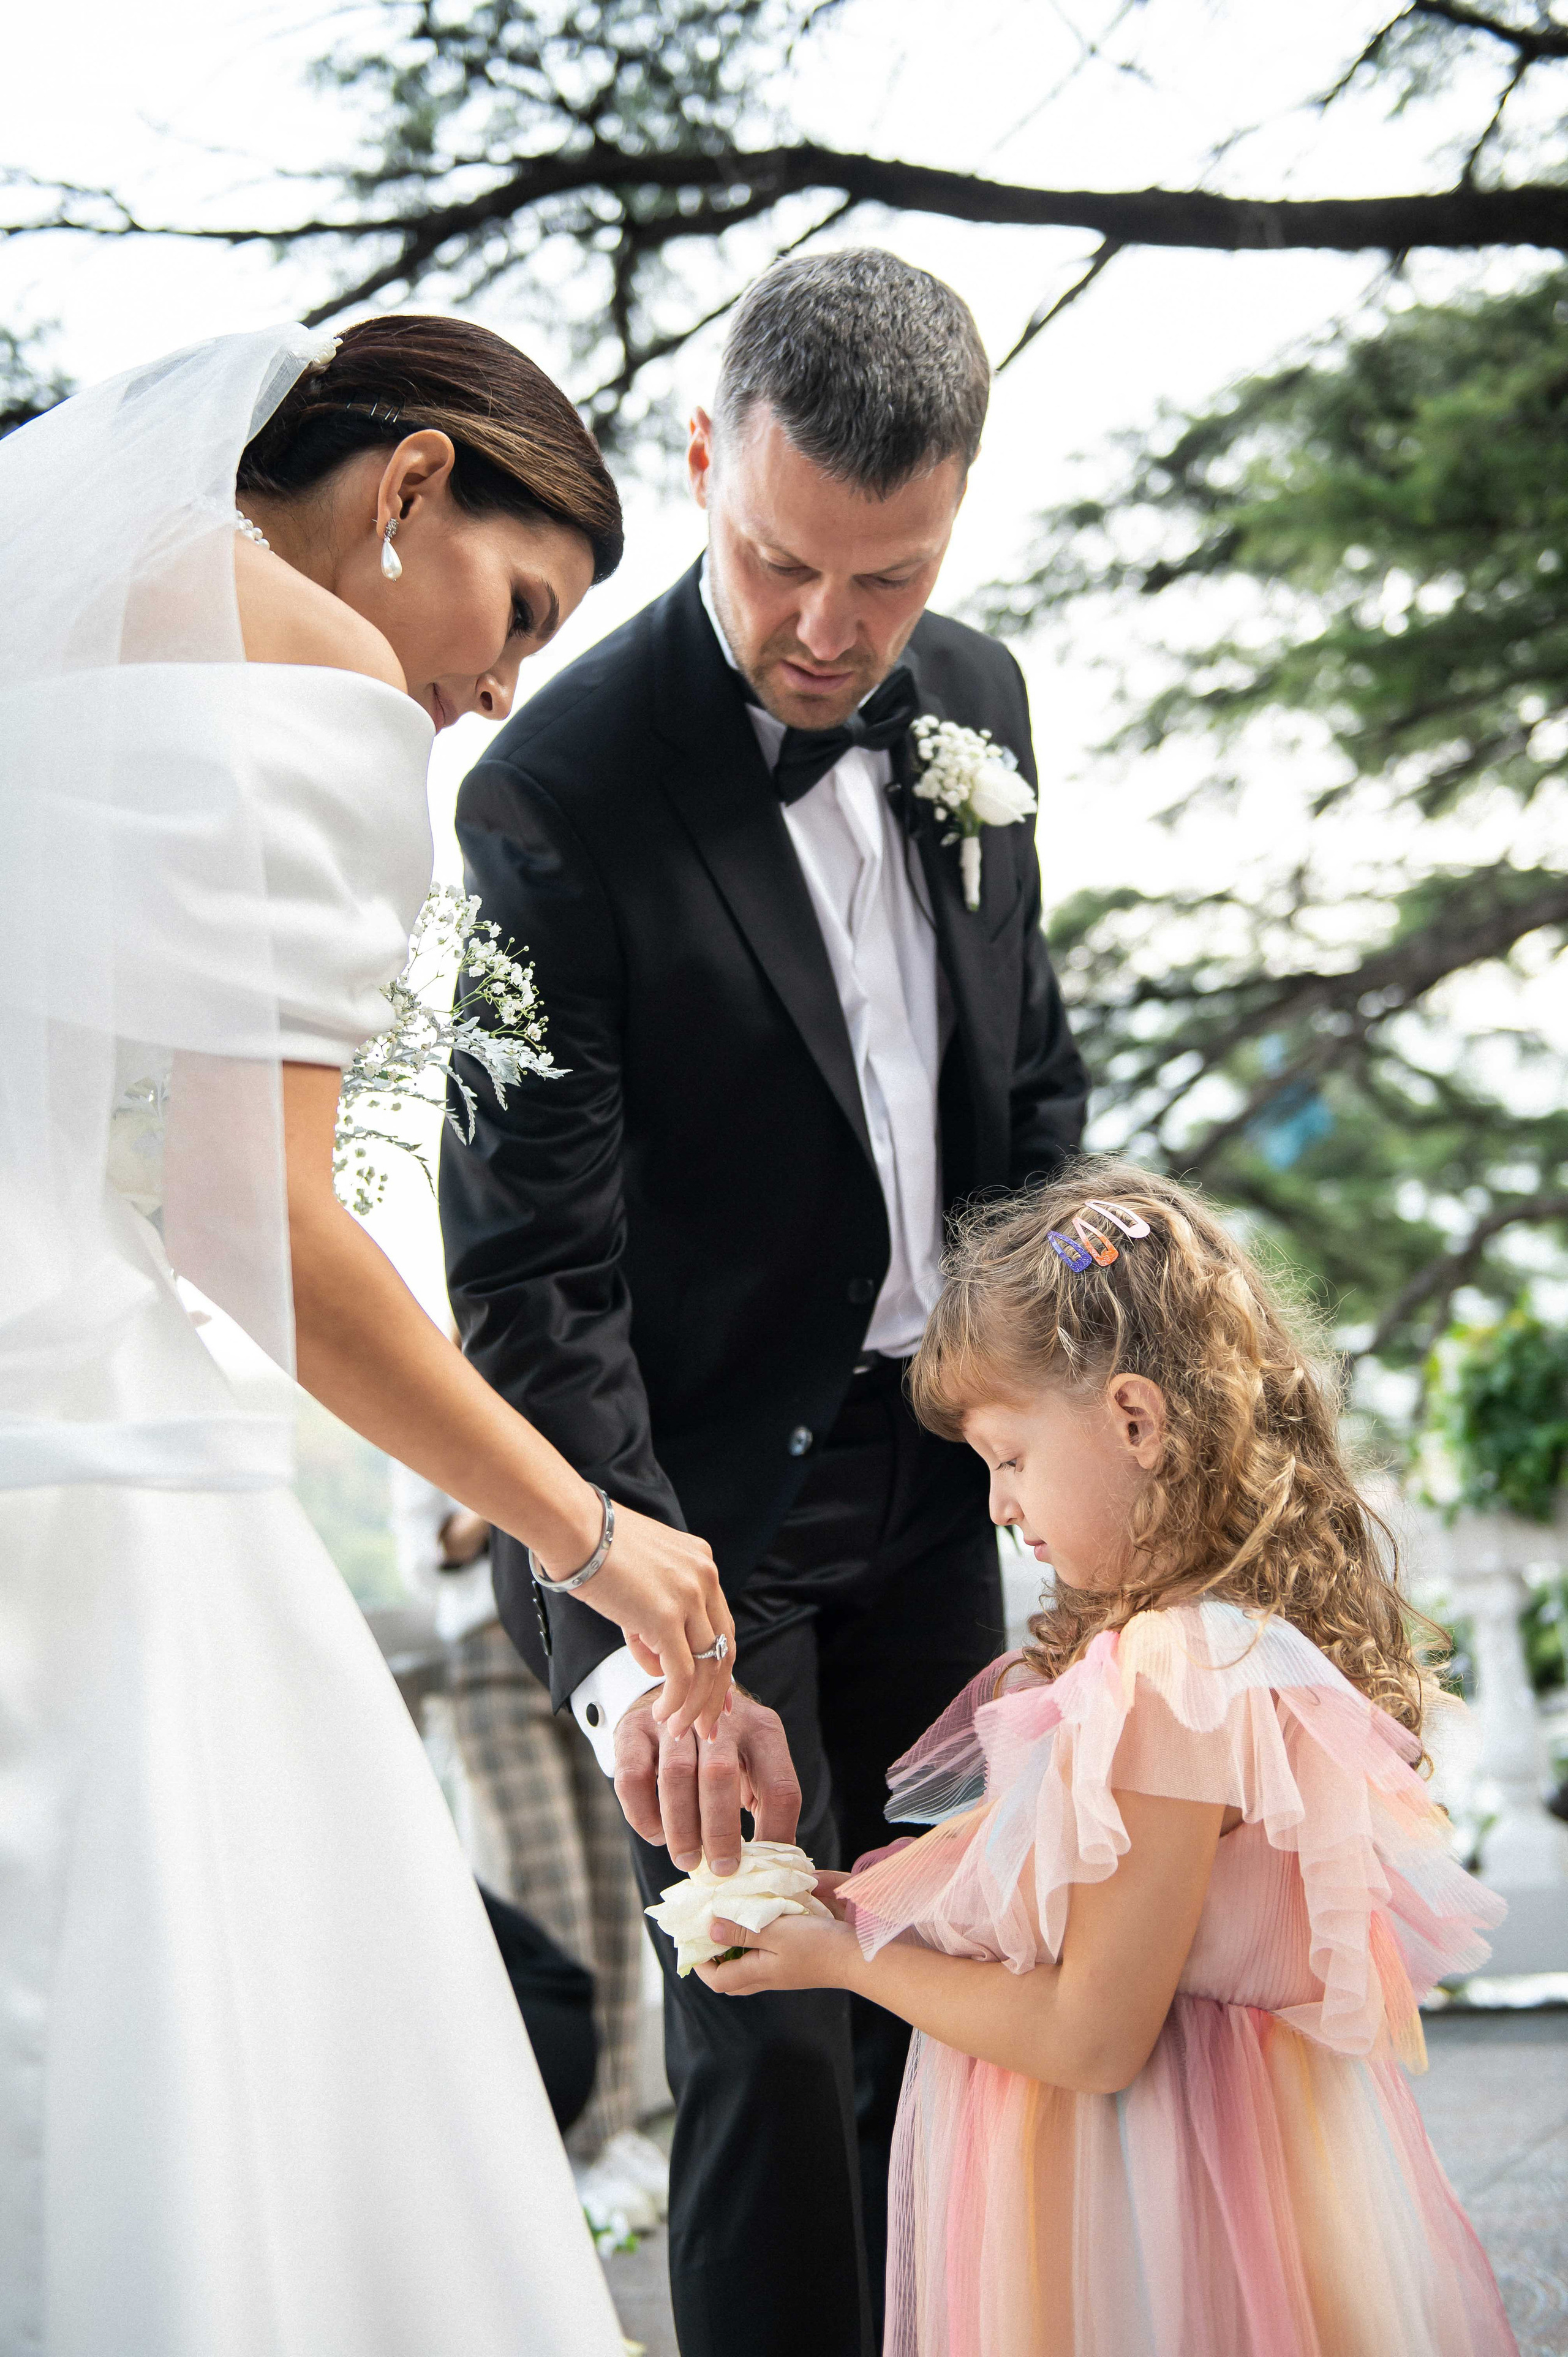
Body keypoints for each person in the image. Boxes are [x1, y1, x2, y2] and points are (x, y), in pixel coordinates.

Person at [0, 311, 734, 2356]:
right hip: (86, 1469)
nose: (495, 689)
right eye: (517, 609)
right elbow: (263, 1237)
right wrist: (589, 1524)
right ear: (411, 480)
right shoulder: (309, 680)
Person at [440, 246, 1088, 2357]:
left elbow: (1034, 1091)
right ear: (705, 457)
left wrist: (1078, 1423)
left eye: (886, 580)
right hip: (695, 1515)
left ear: (958, 521)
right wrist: (641, 1621)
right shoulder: (550, 796)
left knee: (963, 2001)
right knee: (771, 2029)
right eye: (783, 559)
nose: (831, 630)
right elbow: (532, 1269)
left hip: (940, 1480)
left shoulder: (979, 705)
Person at [695, 1160, 1518, 2357]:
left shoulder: (1175, 1674)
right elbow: (1057, 1886)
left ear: (1132, 1419)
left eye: (1008, 1457)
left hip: (1153, 2193)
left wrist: (846, 1963)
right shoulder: (1168, 1657)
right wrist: (856, 1904)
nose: (993, 1505)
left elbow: (1092, 2033)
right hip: (1168, 2172)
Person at [390, 1466, 664, 2225]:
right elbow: (426, 1555)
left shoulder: (564, 1357)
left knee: (617, 1892)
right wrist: (524, 1477)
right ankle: (573, 2141)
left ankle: (610, 2131)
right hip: (491, 1661)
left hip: (588, 1640)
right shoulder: (439, 1376)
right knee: (557, 1893)